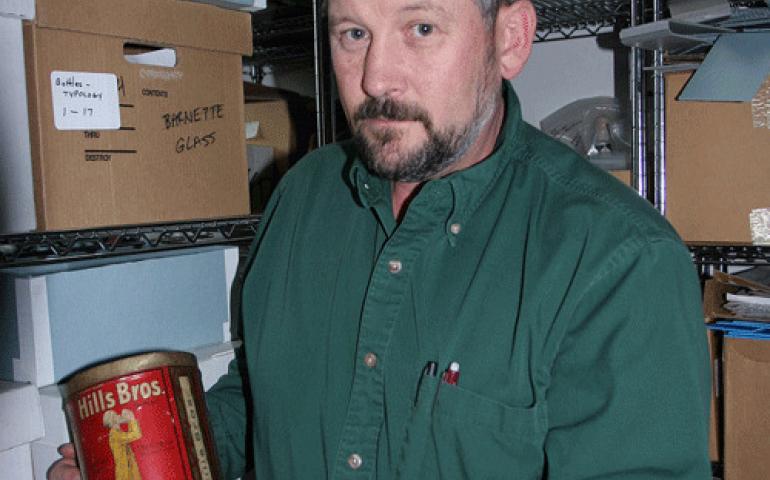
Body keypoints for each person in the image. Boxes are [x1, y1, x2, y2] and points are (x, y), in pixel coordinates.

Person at [50, 0, 712, 478]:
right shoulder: (303, 195)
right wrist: (159, 456)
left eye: (421, 28)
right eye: (353, 32)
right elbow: (262, 396)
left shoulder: (617, 261)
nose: (375, 78)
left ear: (508, 39)